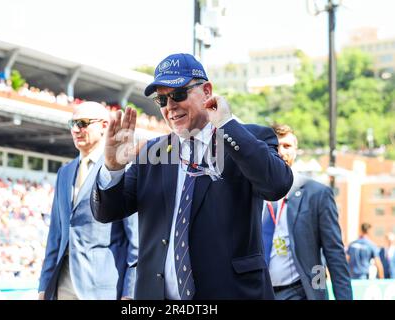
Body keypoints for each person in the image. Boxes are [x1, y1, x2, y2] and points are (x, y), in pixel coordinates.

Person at [91, 53, 293, 300]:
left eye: (178, 94)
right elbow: (106, 212)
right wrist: (112, 167)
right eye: (161, 100)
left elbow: (277, 185)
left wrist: (227, 125)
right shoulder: (152, 152)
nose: (170, 106)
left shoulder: (245, 138)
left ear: (207, 91)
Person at [38, 101, 138, 300]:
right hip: (63, 282)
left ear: (104, 126)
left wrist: (129, 293)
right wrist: (44, 286)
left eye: (83, 123)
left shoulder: (121, 167)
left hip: (104, 286)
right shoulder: (64, 172)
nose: (76, 129)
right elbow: (55, 236)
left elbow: (135, 239)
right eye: (72, 124)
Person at [263, 124, 352, 300]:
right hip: (260, 292)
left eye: (287, 146)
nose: (281, 152)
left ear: (296, 150)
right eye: (275, 146)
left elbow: (334, 254)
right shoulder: (251, 192)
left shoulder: (317, 194)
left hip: (299, 292)